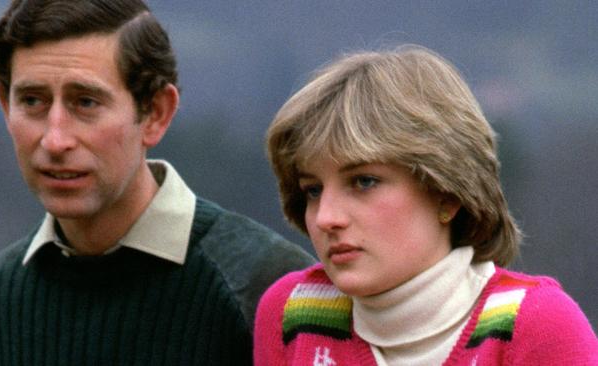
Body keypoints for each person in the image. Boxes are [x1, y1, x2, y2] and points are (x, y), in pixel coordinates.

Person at [0, 1, 315, 365]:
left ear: (156, 113)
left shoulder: (267, 288)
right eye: (32, 101)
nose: (55, 139)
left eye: (86, 102)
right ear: (4, 105)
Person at [255, 45, 598, 365]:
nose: (326, 217)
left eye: (363, 182)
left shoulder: (537, 328)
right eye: (313, 190)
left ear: (446, 194)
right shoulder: (292, 313)